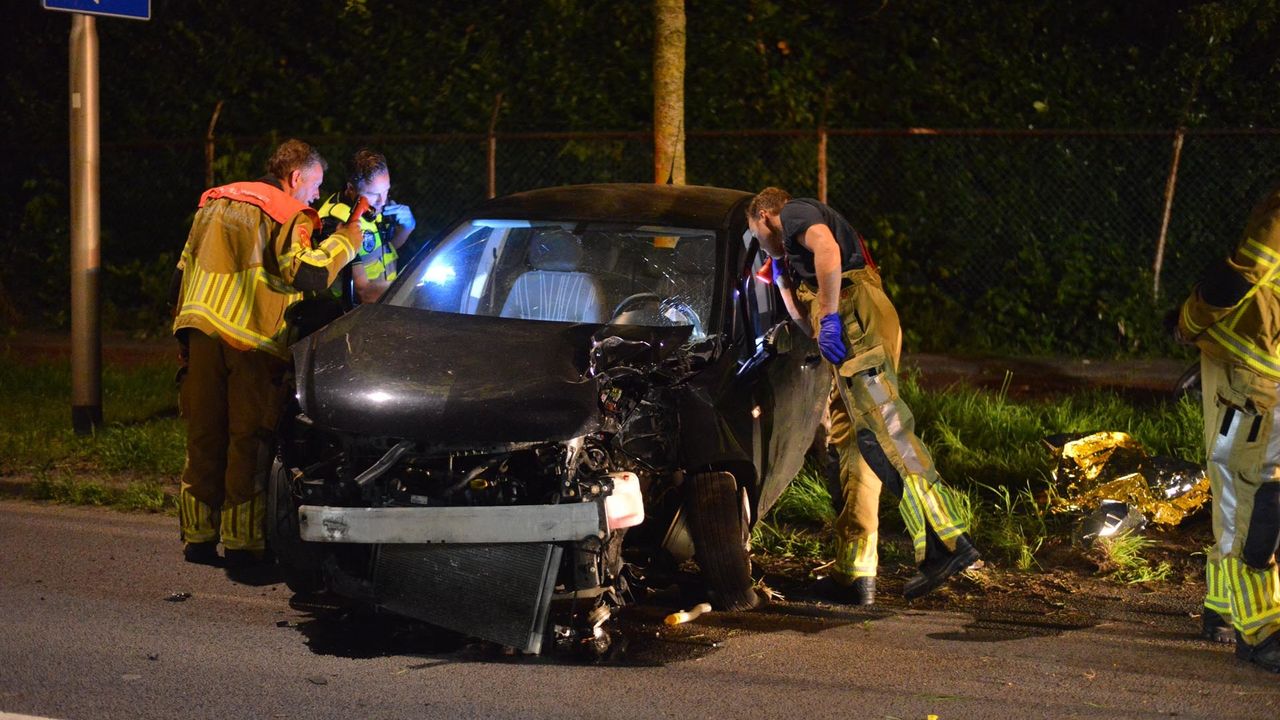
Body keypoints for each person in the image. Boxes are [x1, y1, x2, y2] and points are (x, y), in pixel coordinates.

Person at [746, 187, 979, 605]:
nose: (760, 242)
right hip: (847, 325)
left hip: (854, 317)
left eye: (755, 233)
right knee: (857, 442)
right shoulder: (790, 260)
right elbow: (807, 325)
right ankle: (856, 572)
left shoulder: (793, 213)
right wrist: (784, 283)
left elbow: (829, 252)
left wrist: (832, 316)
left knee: (886, 429)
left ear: (764, 215)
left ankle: (948, 541)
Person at [172, 139, 367, 569]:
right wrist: (345, 241)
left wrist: (185, 341)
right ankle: (244, 547)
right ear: (295, 177)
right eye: (314, 186)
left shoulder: (215, 200)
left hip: (201, 332)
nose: (316, 196)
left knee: (204, 435)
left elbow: (182, 271)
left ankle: (198, 538)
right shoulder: (287, 211)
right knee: (248, 440)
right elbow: (308, 273)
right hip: (251, 342)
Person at [1175, 186, 1280, 673]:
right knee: (1255, 493)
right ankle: (1260, 628)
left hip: (1252, 365)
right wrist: (1190, 321)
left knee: (1238, 486)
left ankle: (1223, 603)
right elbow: (1241, 273)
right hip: (1254, 371)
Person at [316, 149, 416, 305]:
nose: (382, 201)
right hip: (351, 314)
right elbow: (364, 292)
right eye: (374, 194)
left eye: (386, 190)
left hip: (385, 303)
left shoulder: (376, 203)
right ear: (350, 189)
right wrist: (412, 288)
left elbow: (386, 248)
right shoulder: (335, 222)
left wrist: (407, 227)